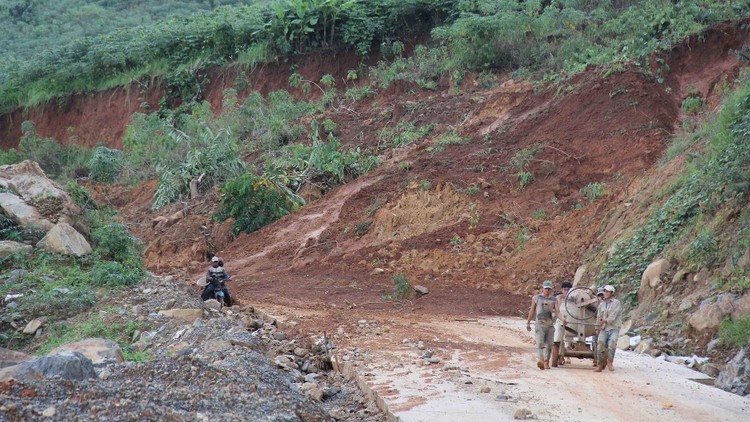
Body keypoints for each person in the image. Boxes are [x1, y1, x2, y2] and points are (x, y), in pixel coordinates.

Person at [526, 280, 557, 370]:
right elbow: (532, 310)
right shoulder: (536, 298)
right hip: (539, 324)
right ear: (542, 288)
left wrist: (563, 319)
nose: (547, 290)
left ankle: (547, 361)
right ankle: (541, 360)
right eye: (546, 288)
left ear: (551, 290)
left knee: (550, 344)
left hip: (550, 324)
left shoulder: (554, 300)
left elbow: (557, 312)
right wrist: (528, 322)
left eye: (549, 289)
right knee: (540, 343)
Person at [595, 285, 622, 372]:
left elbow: (613, 317)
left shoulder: (616, 303)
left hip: (613, 328)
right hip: (604, 328)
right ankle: (599, 364)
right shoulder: (602, 304)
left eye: (607, 292)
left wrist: (605, 321)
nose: (605, 293)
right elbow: (598, 316)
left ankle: (610, 362)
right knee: (600, 344)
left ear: (612, 293)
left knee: (612, 344)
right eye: (605, 291)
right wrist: (596, 327)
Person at [552, 281, 573, 367]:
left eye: (568, 290)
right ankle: (558, 354)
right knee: (557, 337)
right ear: (562, 290)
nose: (566, 292)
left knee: (569, 337)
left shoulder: (574, 299)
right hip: (560, 320)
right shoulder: (558, 298)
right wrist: (562, 319)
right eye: (565, 290)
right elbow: (556, 311)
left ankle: (567, 355)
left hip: (571, 321)